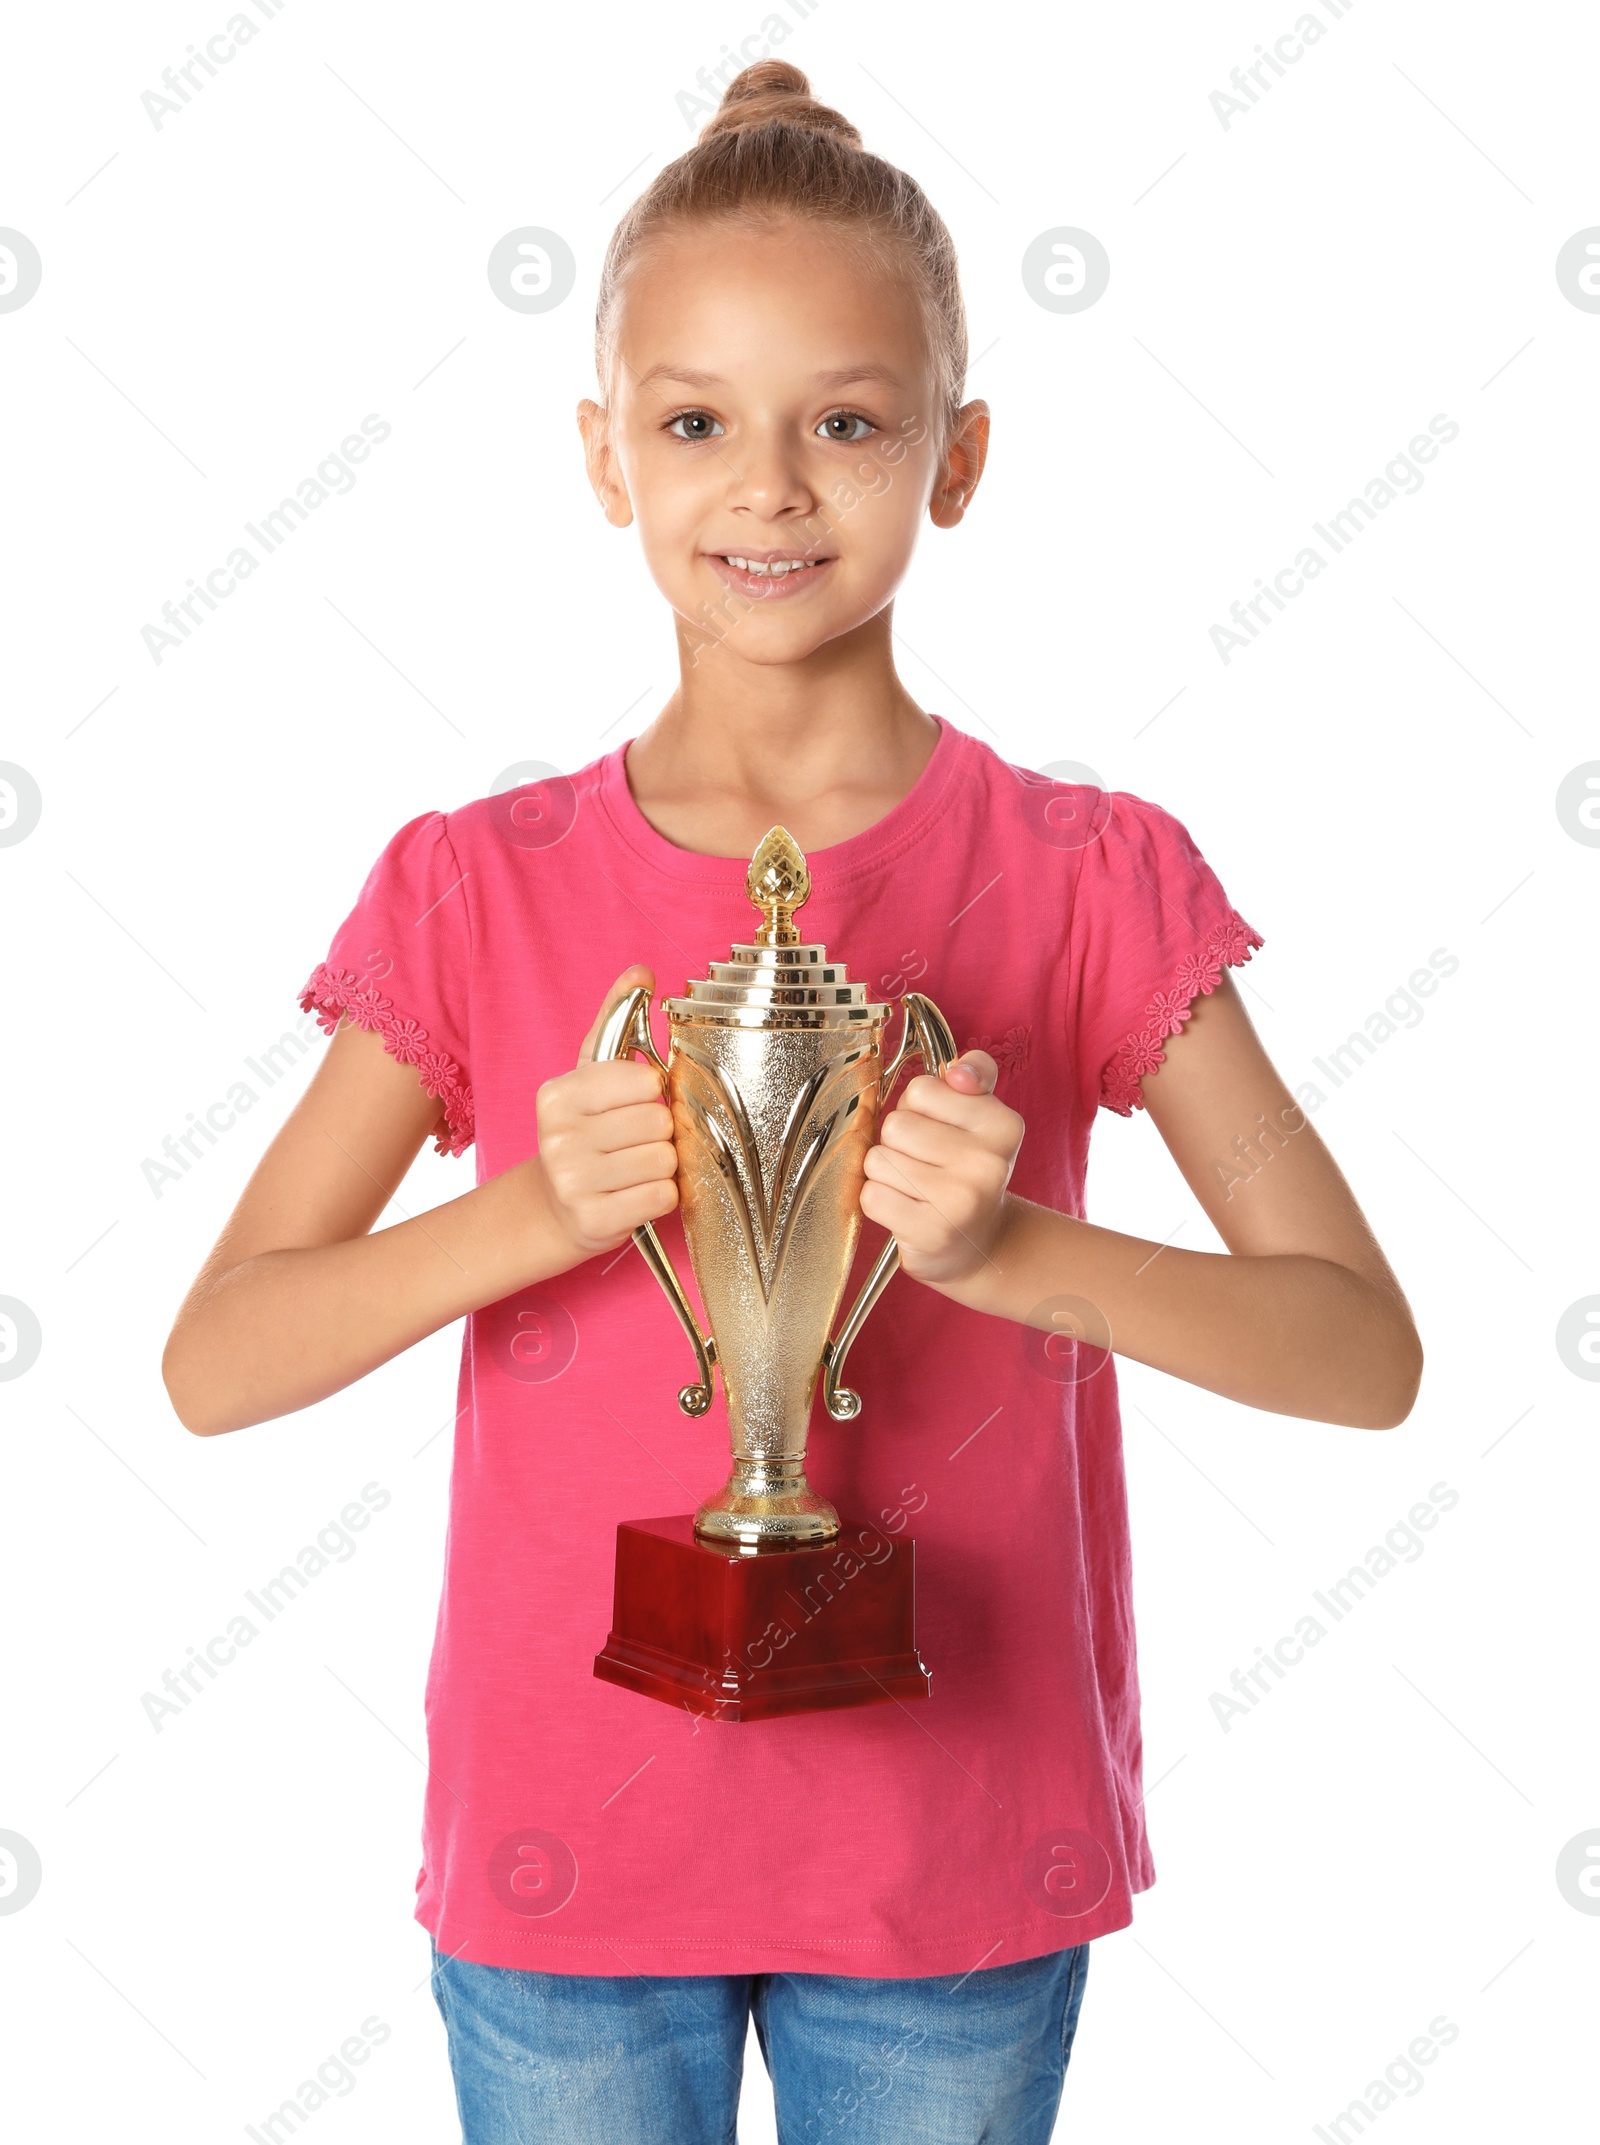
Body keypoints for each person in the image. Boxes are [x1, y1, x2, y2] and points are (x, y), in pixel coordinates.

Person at [162, 59, 1423, 2145]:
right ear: (601, 456)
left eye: (845, 419)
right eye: (693, 423)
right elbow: (217, 1359)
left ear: (958, 455)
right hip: (566, 1843)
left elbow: (1356, 1347)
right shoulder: (474, 887)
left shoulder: (1090, 877)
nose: (767, 487)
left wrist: (1017, 1253)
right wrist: (526, 1211)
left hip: (945, 1840)